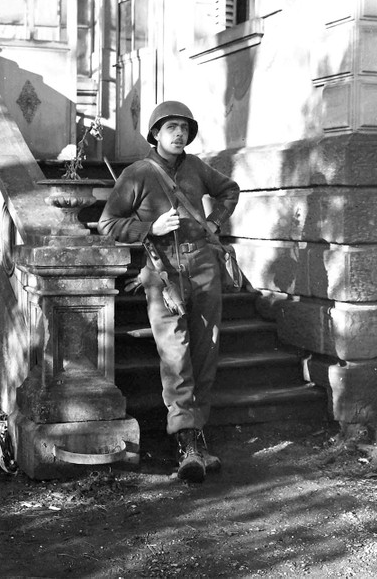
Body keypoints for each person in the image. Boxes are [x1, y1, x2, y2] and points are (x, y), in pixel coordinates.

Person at [98, 100, 240, 483]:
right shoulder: (138, 173)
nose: (178, 134)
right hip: (163, 273)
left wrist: (213, 223)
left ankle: (200, 438)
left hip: (204, 267)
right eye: (170, 127)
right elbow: (108, 224)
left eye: (184, 128)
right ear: (155, 134)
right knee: (176, 356)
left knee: (205, 351)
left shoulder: (195, 168)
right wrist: (150, 230)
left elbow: (229, 190)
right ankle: (185, 445)